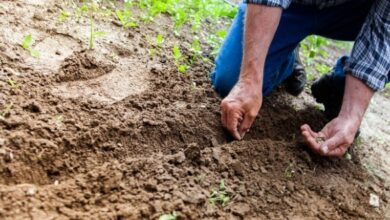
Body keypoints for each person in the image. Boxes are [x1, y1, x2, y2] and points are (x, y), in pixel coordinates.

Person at [211, 0, 389, 157]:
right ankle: (286, 58)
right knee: (231, 81)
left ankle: (341, 86)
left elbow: (385, 31)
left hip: (355, 11)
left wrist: (351, 116)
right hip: (292, 6)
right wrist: (249, 80)